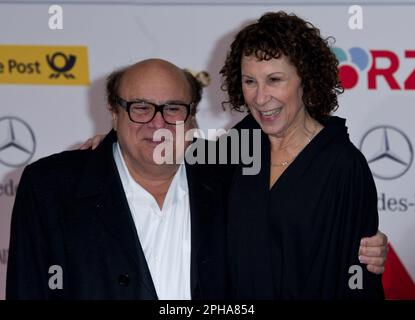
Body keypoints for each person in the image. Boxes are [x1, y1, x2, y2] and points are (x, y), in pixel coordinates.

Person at [6, 59, 229, 299]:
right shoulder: (51, 188)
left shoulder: (228, 178)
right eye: (141, 108)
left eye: (173, 108)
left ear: (191, 116)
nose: (157, 122)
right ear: (114, 114)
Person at [220, 11, 385, 298]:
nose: (260, 98)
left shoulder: (342, 165)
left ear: (305, 80)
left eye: (274, 79)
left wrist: (372, 255)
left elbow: (356, 276)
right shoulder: (234, 147)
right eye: (250, 81)